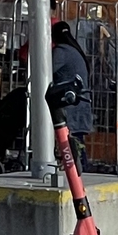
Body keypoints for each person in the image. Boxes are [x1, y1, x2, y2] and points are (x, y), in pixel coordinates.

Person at [50, 20, 94, 162]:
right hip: (80, 106)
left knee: (72, 147)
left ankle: (78, 172)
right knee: (77, 146)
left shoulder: (61, 52)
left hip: (69, 108)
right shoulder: (75, 50)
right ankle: (82, 170)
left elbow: (46, 72)